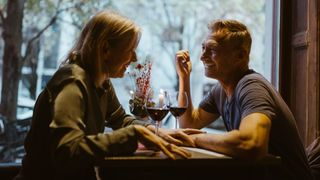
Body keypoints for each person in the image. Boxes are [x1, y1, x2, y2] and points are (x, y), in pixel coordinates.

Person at [14, 10, 199, 180]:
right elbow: (67, 151)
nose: (134, 58)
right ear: (105, 49)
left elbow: (120, 119)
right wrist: (133, 135)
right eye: (130, 49)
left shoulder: (101, 81)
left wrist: (156, 132)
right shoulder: (72, 83)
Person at [175, 19, 314, 180]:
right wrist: (184, 78)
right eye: (203, 48)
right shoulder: (221, 90)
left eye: (212, 49)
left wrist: (195, 139)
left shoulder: (251, 86)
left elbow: (251, 144)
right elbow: (188, 123)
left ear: (240, 56)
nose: (202, 56)